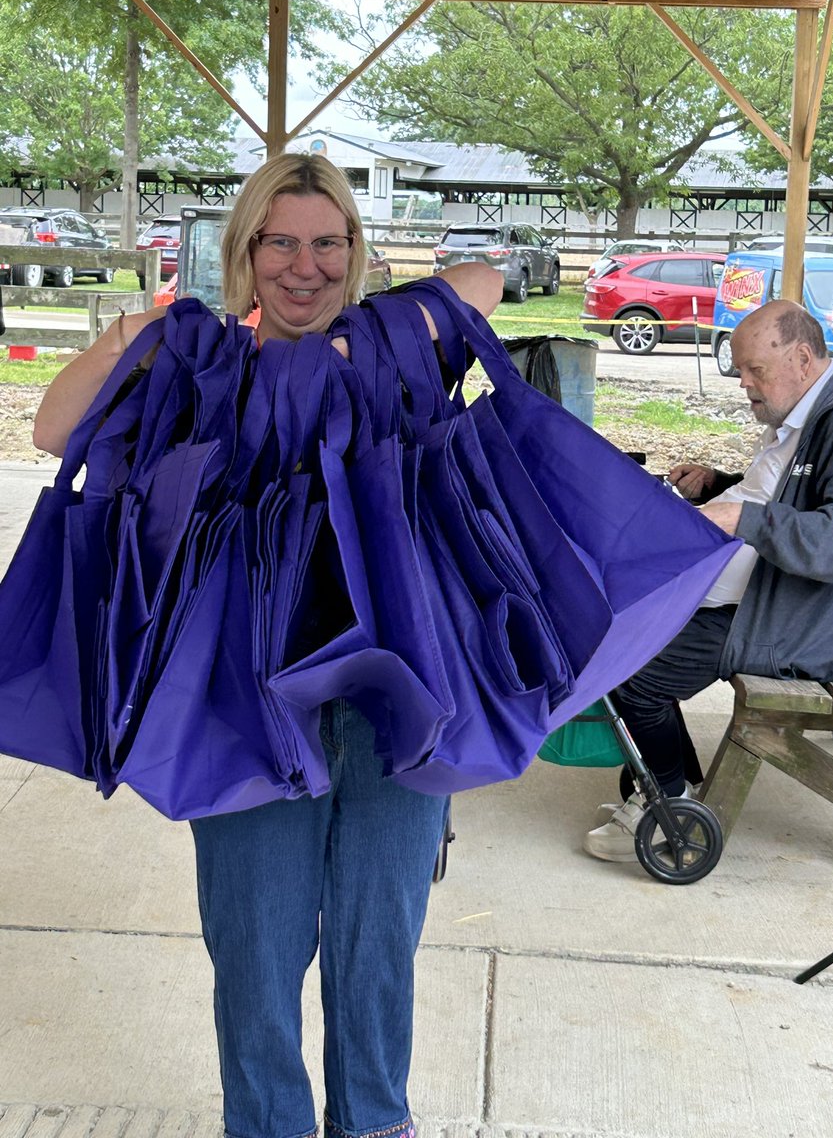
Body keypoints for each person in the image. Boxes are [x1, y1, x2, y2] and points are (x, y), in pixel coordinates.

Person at [33, 152, 503, 1138]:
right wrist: (145, 330)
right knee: (256, 951)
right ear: (244, 253)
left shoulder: (391, 353)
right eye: (279, 242)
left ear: (354, 252)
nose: (305, 267)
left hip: (394, 704)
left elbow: (482, 283)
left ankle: (375, 1124)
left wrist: (359, 342)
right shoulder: (203, 372)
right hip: (242, 706)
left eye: (327, 243)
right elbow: (54, 424)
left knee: (381, 942)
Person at [584, 298, 833, 862]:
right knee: (616, 629)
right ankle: (673, 782)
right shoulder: (804, 413)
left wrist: (741, 518)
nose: (744, 383)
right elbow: (787, 497)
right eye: (740, 369)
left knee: (631, 669)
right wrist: (719, 485)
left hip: (801, 625)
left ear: (802, 358)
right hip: (769, 603)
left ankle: (667, 803)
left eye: (756, 369)